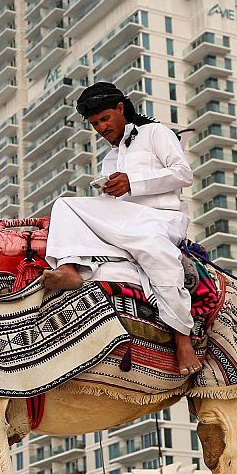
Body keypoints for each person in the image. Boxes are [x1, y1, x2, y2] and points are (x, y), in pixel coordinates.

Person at [41, 81, 200, 373]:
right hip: (124, 218)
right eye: (94, 123)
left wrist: (132, 183)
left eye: (104, 119)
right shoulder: (109, 158)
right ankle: (69, 268)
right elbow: (111, 198)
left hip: (160, 219)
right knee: (65, 204)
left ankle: (182, 338)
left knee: (154, 250)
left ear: (120, 108)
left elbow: (182, 174)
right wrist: (111, 190)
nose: (100, 127)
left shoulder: (156, 133)